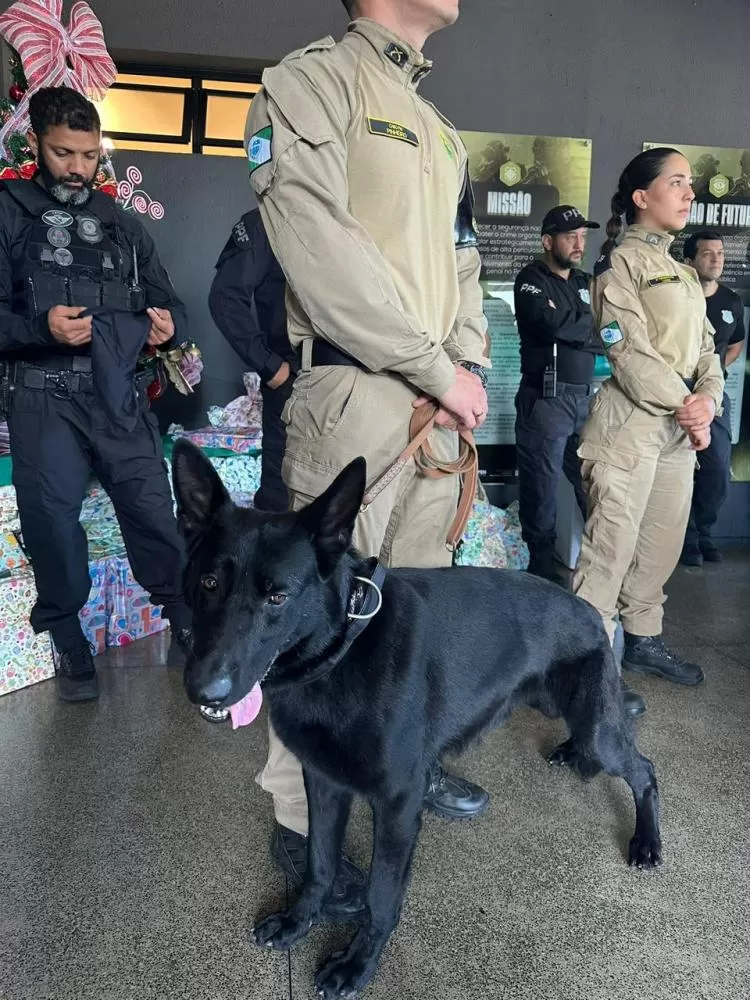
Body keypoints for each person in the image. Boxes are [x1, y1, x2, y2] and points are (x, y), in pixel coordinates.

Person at [245, 0, 490, 914]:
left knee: (413, 619)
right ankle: (299, 821)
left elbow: (463, 265)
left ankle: (406, 763)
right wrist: (434, 364)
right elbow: (319, 251)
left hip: (438, 407)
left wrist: (465, 367)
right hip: (352, 396)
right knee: (311, 623)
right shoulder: (307, 82)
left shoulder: (438, 127)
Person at [0, 87, 193, 702]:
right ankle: (68, 636)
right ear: (36, 145)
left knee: (154, 516)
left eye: (88, 154)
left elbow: (171, 304)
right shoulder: (7, 212)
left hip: (118, 397)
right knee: (53, 526)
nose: (78, 168)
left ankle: (183, 616)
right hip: (43, 397)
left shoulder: (121, 224)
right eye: (63, 153)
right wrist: (40, 328)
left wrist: (166, 325)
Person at [573, 148, 724, 713]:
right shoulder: (620, 265)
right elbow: (627, 353)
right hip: (628, 428)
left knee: (659, 544)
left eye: (691, 184)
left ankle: (641, 641)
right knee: (609, 550)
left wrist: (705, 401)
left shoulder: (685, 273)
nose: (690, 193)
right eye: (677, 183)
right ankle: (582, 671)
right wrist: (689, 403)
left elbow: (708, 352)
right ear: (642, 197)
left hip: (677, 431)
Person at [513, 205, 600, 584]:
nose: (579, 244)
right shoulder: (531, 279)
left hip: (586, 399)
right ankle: (541, 571)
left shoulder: (584, 283)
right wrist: (586, 324)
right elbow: (547, 323)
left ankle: (600, 565)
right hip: (546, 399)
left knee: (592, 481)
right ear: (548, 241)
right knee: (542, 487)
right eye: (570, 237)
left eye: (583, 236)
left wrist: (580, 324)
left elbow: (608, 330)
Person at [209, 209, 296, 514]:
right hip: (295, 376)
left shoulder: (361, 208)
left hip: (359, 377)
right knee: (281, 496)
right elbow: (225, 298)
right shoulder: (269, 218)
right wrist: (270, 365)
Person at [680, 231, 746, 565]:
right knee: (674, 470)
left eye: (720, 253)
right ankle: (683, 537)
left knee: (717, 468)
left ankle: (702, 533)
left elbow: (735, 343)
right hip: (675, 393)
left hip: (713, 398)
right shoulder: (676, 295)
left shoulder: (731, 300)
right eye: (708, 254)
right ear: (689, 261)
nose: (716, 259)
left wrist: (716, 374)